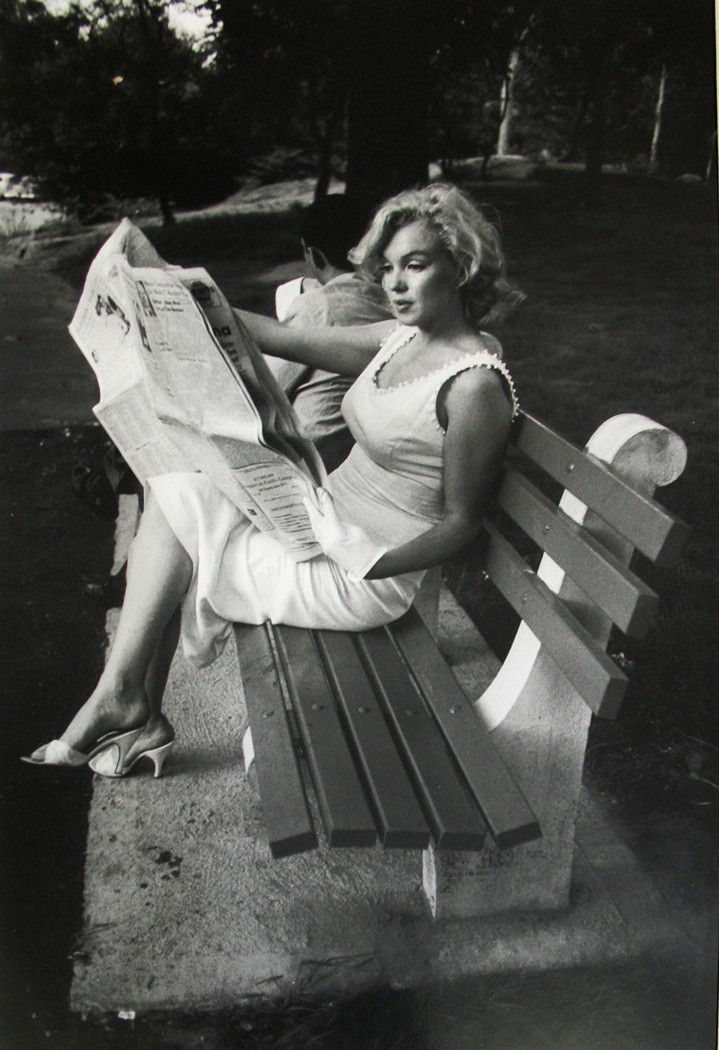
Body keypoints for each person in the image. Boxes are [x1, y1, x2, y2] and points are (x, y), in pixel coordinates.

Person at [23, 183, 521, 776]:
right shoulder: (401, 339)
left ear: (461, 268)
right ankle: (131, 704)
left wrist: (369, 561)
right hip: (322, 520)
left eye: (415, 265)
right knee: (180, 486)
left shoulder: (473, 387)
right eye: (386, 267)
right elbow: (279, 336)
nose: (394, 283)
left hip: (365, 574)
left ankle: (127, 702)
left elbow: (462, 525)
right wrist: (179, 294)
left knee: (180, 522)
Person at [268, 194, 394, 472]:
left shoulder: (318, 306)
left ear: (314, 255)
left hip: (308, 466)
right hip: (357, 459)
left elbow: (263, 389)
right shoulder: (395, 302)